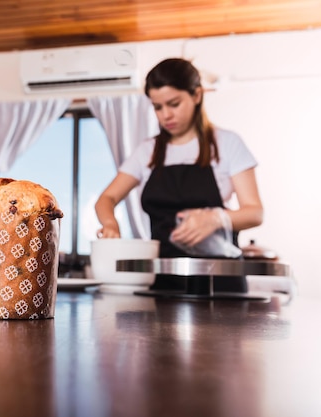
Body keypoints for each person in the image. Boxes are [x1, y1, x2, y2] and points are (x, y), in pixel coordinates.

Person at [94, 58, 264, 294]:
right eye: (158, 107)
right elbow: (107, 199)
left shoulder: (227, 143)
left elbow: (255, 212)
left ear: (196, 95)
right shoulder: (148, 151)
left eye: (174, 104)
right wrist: (110, 223)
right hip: (164, 279)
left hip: (219, 282)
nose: (166, 115)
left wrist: (216, 218)